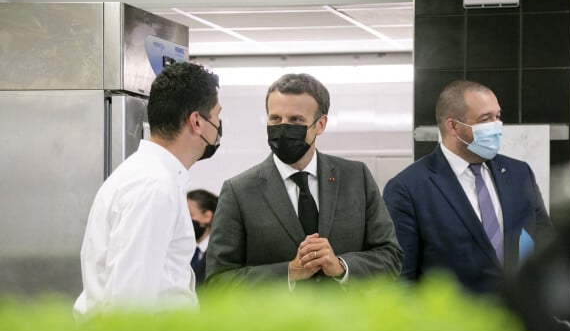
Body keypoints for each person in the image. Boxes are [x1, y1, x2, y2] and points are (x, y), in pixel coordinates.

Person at [205, 73, 403, 289]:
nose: (282, 128)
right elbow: (218, 281)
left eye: (296, 120)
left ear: (320, 124)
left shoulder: (356, 178)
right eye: (275, 119)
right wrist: (289, 272)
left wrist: (341, 266)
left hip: (348, 321)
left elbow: (390, 257)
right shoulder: (238, 191)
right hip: (274, 322)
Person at [73, 62, 221, 317]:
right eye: (217, 115)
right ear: (197, 121)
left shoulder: (149, 176)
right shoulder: (154, 186)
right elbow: (129, 304)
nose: (219, 125)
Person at [383, 79, 552, 294]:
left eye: (497, 116)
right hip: (456, 323)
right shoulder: (408, 188)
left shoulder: (519, 174)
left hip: (520, 320)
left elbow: (545, 241)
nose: (496, 126)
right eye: (485, 119)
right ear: (453, 126)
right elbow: (402, 279)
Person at [187, 189, 218, 287]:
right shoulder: (179, 248)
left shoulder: (219, 252)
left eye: (190, 214)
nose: (185, 219)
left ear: (207, 216)